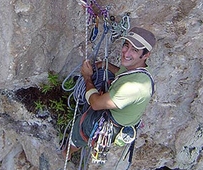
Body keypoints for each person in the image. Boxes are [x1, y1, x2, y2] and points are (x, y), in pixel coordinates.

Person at [63, 27, 156, 159]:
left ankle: (68, 152)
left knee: (82, 127)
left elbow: (95, 104)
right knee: (105, 73)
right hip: (120, 113)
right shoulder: (138, 69)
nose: (126, 53)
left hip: (111, 123)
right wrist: (103, 64)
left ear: (146, 55)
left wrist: (87, 77)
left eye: (135, 50)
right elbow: (121, 73)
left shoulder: (134, 87)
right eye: (126, 45)